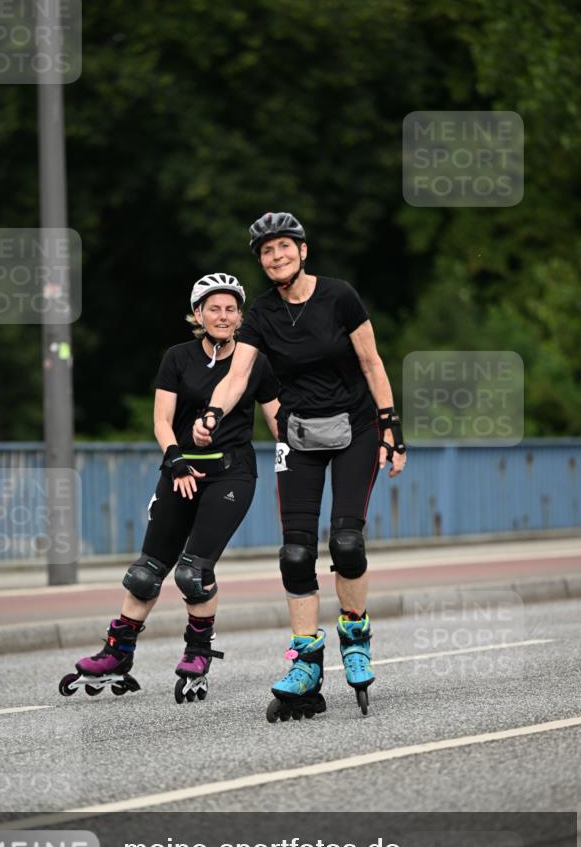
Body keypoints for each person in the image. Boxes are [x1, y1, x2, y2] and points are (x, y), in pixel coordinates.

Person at [192, 213, 406, 721]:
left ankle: (355, 636)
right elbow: (238, 373)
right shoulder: (261, 314)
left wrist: (391, 429)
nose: (276, 256)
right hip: (298, 435)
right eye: (266, 251)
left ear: (303, 251)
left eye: (284, 247)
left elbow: (372, 363)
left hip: (356, 428)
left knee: (347, 542)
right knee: (294, 553)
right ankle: (306, 663)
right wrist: (213, 411)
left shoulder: (339, 296)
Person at [59, 272, 279, 703]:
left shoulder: (256, 362)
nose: (223, 315)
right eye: (213, 308)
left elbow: (278, 421)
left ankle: (198, 654)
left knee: (194, 572)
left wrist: (309, 451)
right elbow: (162, 419)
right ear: (198, 314)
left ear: (240, 317)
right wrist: (175, 459)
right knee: (146, 572)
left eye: (231, 308)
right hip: (179, 471)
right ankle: (117, 653)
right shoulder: (177, 357)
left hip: (231, 475)